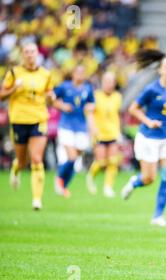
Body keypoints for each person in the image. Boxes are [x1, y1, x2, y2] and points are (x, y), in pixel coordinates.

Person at [120, 49, 166, 227]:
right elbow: (133, 109)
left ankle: (158, 216)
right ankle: (135, 182)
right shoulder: (151, 90)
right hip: (148, 138)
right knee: (148, 179)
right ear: (160, 70)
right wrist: (148, 121)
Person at [0, 42, 55, 210]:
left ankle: (37, 200)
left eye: (32, 52)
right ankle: (16, 169)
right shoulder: (14, 73)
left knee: (37, 159)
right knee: (22, 161)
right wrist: (14, 89)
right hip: (18, 120)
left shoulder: (46, 74)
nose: (30, 55)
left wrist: (51, 98)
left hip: (38, 119)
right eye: (26, 52)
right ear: (22, 55)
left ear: (37, 54)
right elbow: (2, 95)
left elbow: (48, 94)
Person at [53, 65, 96, 197]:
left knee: (75, 159)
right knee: (72, 157)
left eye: (82, 72)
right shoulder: (64, 87)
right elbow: (51, 99)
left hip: (81, 127)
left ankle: (63, 185)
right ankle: (59, 180)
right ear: (72, 73)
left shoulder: (87, 89)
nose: (80, 74)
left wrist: (90, 109)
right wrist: (62, 105)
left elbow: (92, 105)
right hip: (66, 126)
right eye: (78, 71)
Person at [86, 72, 122, 197]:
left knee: (113, 161)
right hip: (99, 133)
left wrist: (119, 131)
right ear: (102, 82)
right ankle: (91, 176)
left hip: (112, 132)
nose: (108, 84)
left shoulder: (117, 96)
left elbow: (116, 114)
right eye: (106, 81)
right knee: (101, 162)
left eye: (111, 81)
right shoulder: (95, 96)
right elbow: (89, 113)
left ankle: (108, 187)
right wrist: (92, 128)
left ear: (114, 83)